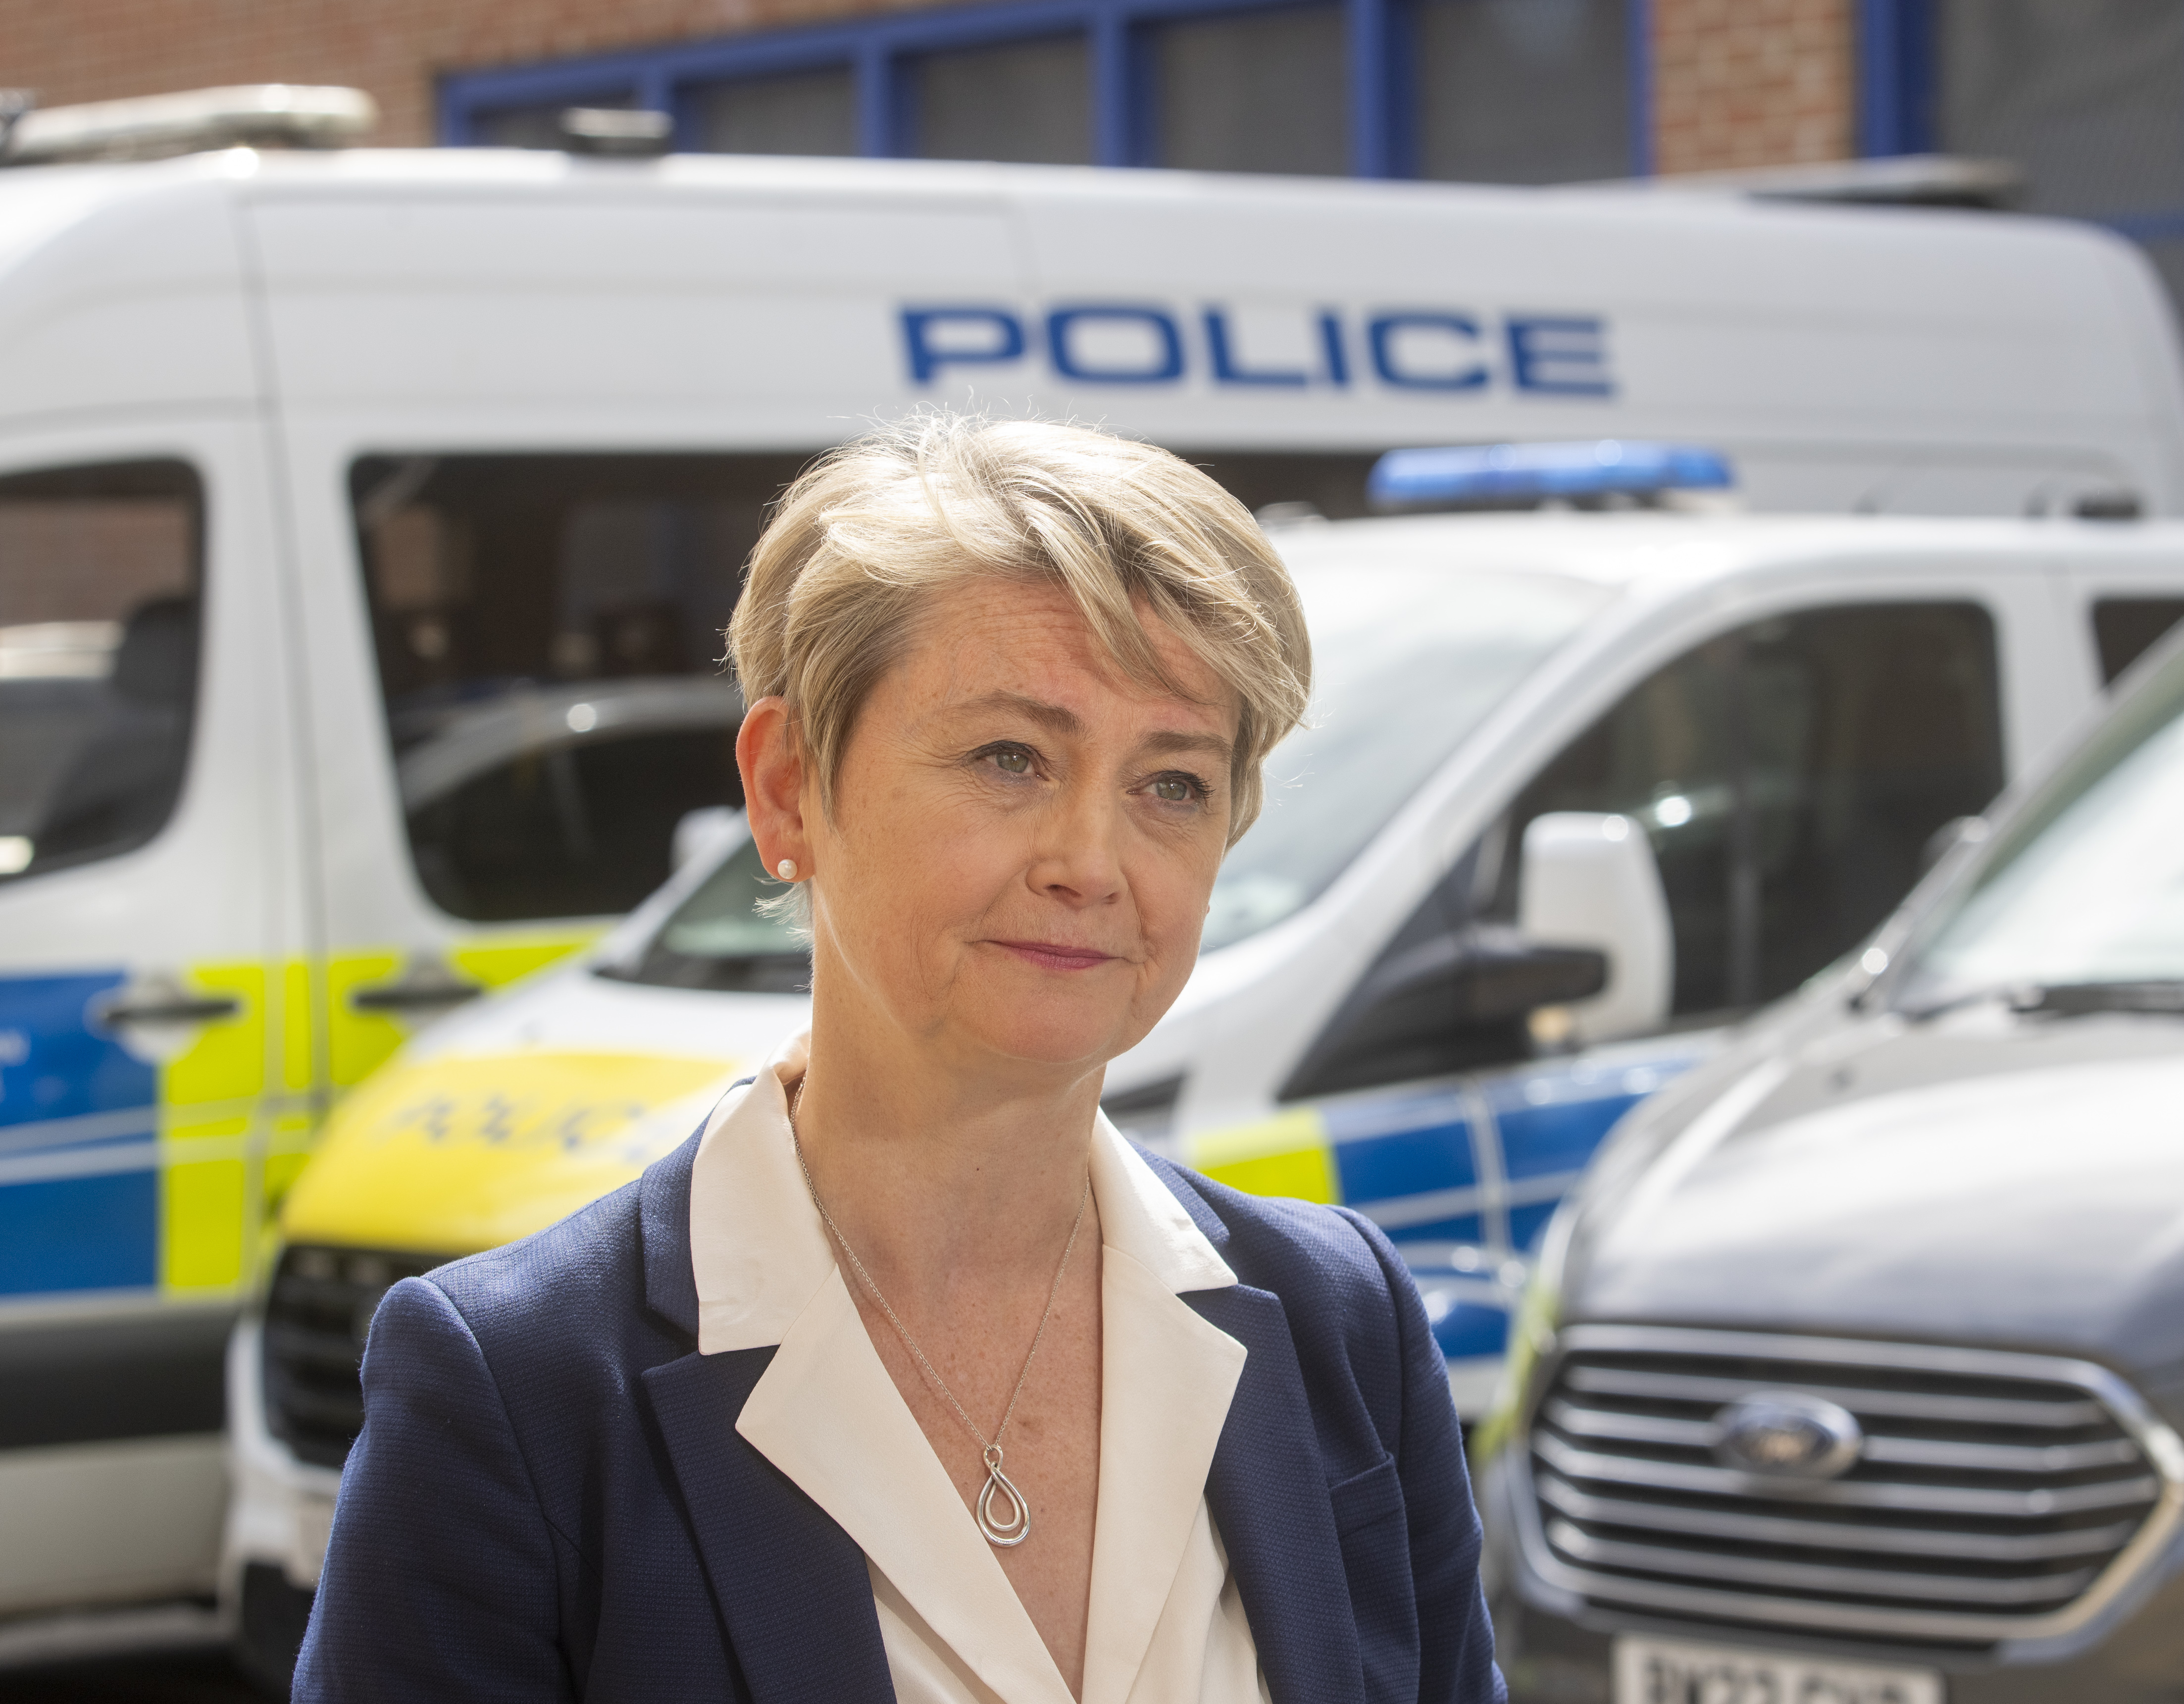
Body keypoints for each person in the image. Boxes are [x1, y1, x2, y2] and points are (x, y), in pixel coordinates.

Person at [293, 414, 1504, 1704]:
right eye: (1010, 757)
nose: (1091, 861)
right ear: (787, 788)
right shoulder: (521, 1391)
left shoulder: (1345, 1327)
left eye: (1173, 784)